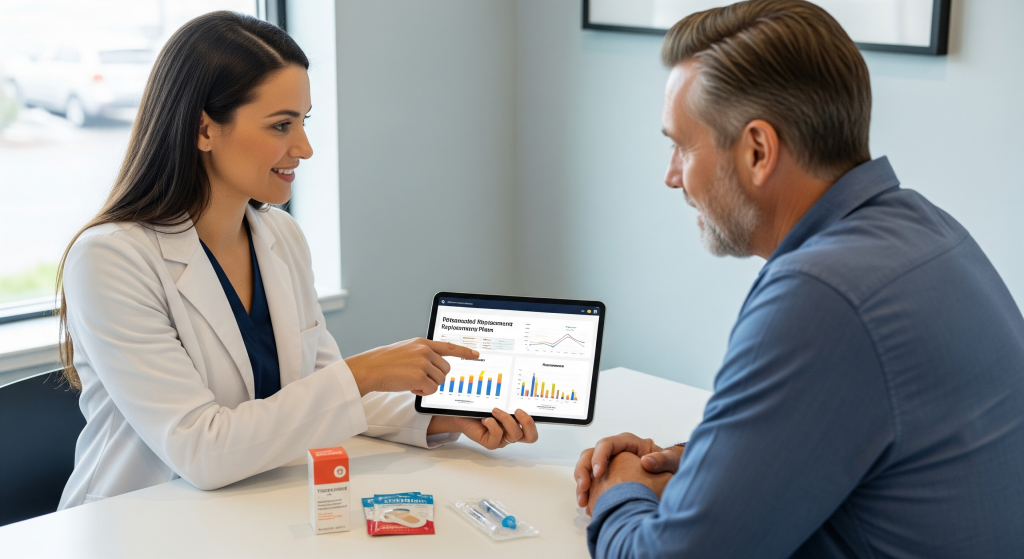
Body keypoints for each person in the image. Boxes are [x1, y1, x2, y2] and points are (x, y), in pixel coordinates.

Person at [574, 1, 1024, 557]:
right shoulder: (927, 232)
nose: (671, 178)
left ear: (758, 151)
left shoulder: (822, 295)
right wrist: (709, 468)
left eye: (681, 146)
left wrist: (622, 489)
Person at [56, 12, 537, 510]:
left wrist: (440, 417)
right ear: (203, 128)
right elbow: (202, 450)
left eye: (303, 122)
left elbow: (319, 395)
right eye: (281, 125)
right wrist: (367, 371)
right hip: (140, 521)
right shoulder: (110, 260)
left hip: (252, 507)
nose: (304, 148)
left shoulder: (280, 237)